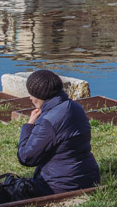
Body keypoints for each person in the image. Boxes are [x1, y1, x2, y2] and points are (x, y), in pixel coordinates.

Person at [15, 70, 100, 199]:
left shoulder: (48, 121)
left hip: (61, 186)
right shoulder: (76, 108)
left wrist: (29, 125)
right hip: (89, 178)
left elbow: (26, 157)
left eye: (31, 94)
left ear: (39, 95)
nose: (30, 98)